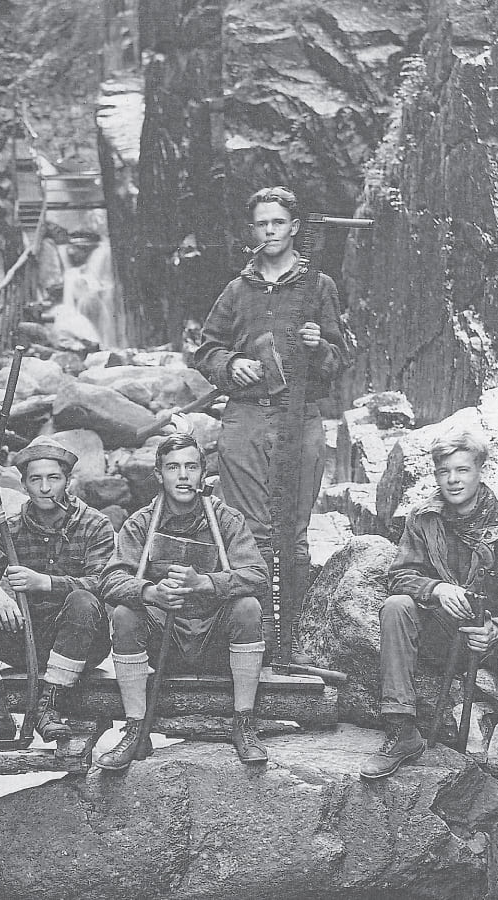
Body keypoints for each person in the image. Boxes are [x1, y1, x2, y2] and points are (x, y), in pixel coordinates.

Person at [359, 429, 498, 809]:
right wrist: (435, 590)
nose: (453, 480)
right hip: (444, 633)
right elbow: (400, 576)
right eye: (444, 471)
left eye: (462, 470)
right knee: (397, 606)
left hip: (496, 638)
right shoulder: (423, 519)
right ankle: (401, 730)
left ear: (480, 469)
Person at [193, 186, 347, 661]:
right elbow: (205, 349)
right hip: (244, 422)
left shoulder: (319, 288)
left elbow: (340, 360)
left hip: (299, 419)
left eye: (278, 223)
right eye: (262, 224)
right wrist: (230, 364)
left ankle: (291, 640)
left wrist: (319, 345)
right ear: (253, 230)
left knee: (293, 535)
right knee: (246, 532)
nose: (270, 231)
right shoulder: (237, 291)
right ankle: (249, 639)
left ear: (295, 227)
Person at [96, 432, 269, 769]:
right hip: (166, 644)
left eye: (191, 466)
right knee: (124, 614)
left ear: (203, 473)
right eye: (173, 467)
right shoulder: (141, 524)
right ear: (159, 475)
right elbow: (110, 580)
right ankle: (134, 728)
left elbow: (258, 576)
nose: (184, 475)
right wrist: (150, 592)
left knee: (248, 608)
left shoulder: (227, 520)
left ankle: (244, 723)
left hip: (215, 644)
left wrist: (206, 582)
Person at [0, 436, 116, 745]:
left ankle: (48, 708)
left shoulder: (96, 525)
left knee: (83, 599)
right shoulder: (9, 528)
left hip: (80, 642)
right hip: (22, 641)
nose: (44, 488)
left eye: (53, 478)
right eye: (35, 479)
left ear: (68, 481)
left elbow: (104, 583)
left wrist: (45, 583)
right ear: (24, 485)